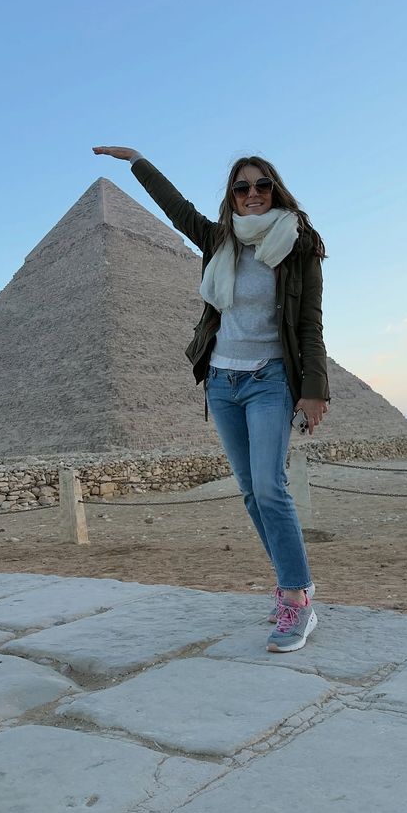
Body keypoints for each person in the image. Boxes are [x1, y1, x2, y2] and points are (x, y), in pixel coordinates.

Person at [92, 146, 330, 652]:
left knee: (270, 488)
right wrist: (138, 162)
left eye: (261, 185)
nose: (252, 195)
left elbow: (309, 324)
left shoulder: (299, 244)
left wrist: (314, 390)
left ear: (276, 189)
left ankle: (297, 603)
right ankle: (297, 584)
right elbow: (174, 208)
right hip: (222, 381)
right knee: (249, 491)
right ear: (231, 195)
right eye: (241, 187)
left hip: (270, 379)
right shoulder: (219, 240)